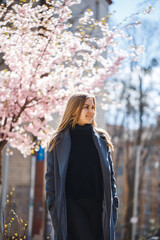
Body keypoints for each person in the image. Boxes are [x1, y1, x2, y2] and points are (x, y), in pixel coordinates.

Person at [45, 92, 119, 240]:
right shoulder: (58, 141)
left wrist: (114, 203)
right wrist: (53, 206)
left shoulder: (102, 139)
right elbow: (51, 179)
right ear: (74, 109)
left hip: (99, 206)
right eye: (86, 107)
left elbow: (111, 177)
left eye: (93, 107)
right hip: (72, 206)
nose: (91, 111)